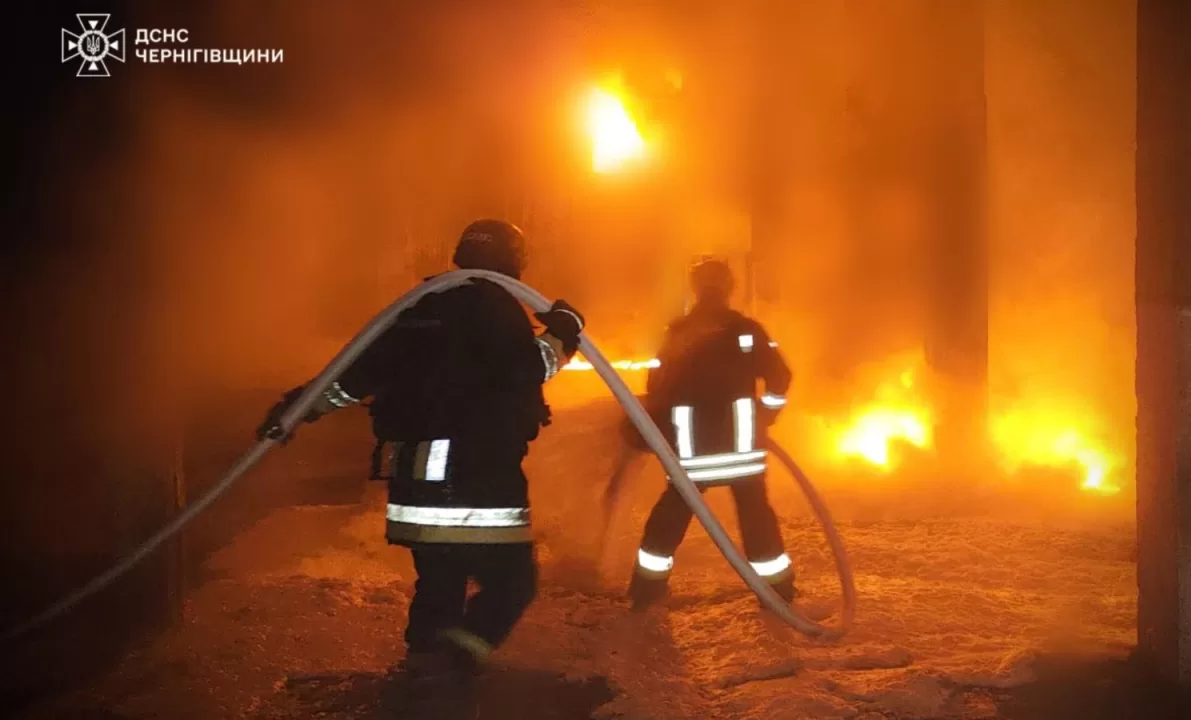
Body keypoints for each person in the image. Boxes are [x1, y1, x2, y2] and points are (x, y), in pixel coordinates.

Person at [256, 219, 585, 688]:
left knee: (440, 582)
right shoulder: (496, 307)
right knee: (513, 584)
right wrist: (563, 335)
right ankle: (456, 665)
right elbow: (525, 371)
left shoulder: (418, 308)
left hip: (415, 480)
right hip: (478, 473)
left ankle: (423, 674)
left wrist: (296, 409)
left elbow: (356, 376)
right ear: (514, 261)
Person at [624, 257, 795, 611]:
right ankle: (778, 591)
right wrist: (768, 413)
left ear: (695, 288)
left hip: (692, 450)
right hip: (741, 447)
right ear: (729, 287)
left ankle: (646, 589)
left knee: (670, 514)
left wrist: (655, 430)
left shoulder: (679, 333)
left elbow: (656, 388)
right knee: (756, 516)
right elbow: (780, 376)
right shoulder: (746, 330)